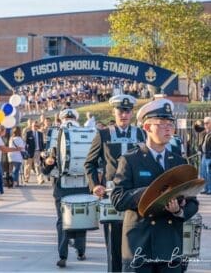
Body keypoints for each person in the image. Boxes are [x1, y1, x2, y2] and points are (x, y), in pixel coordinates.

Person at [111, 98, 199, 272]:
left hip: (170, 244)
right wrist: (150, 193)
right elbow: (117, 199)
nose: (168, 128)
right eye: (162, 124)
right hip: (140, 243)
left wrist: (179, 211)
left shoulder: (179, 162)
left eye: (170, 124)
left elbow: (193, 202)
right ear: (147, 127)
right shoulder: (130, 159)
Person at [84, 94, 146, 273]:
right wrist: (95, 185)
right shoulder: (103, 134)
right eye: (120, 111)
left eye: (127, 111)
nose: (124, 115)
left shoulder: (141, 133)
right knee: (114, 246)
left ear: (132, 113)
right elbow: (90, 163)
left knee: (137, 245)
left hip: (138, 194)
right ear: (114, 111)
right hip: (113, 195)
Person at [53, 108, 89, 268]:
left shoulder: (86, 135)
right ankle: (66, 254)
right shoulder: (86, 134)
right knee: (73, 219)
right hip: (71, 185)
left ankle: (74, 252)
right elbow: (48, 166)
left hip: (72, 185)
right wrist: (47, 162)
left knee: (72, 220)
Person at [199, 116, 211, 194]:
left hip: (209, 156)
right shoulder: (204, 133)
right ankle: (205, 188)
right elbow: (201, 143)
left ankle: (210, 189)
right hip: (203, 155)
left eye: (207, 123)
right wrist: (199, 150)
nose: (205, 125)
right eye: (204, 123)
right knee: (203, 173)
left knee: (209, 172)